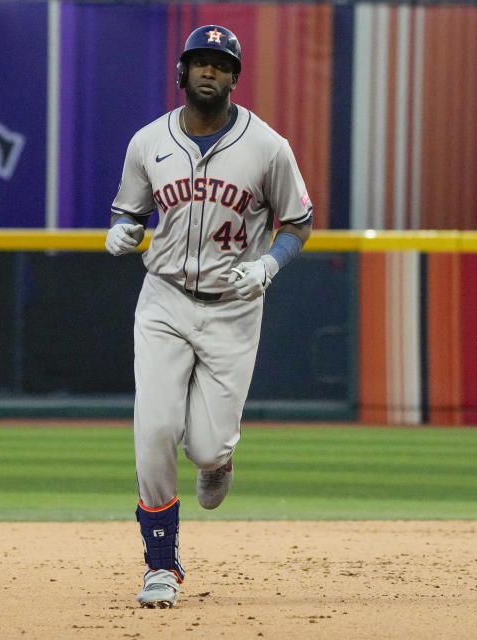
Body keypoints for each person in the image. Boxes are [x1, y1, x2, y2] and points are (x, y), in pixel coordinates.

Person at [105, 25, 313, 609]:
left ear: (234, 77)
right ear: (182, 71)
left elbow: (298, 221)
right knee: (154, 431)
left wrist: (269, 265)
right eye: (199, 61)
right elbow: (130, 211)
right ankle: (161, 566)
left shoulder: (267, 146)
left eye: (220, 65)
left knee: (204, 448)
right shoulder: (148, 142)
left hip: (234, 308)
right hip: (164, 300)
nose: (208, 72)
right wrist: (124, 231)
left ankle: (219, 460)